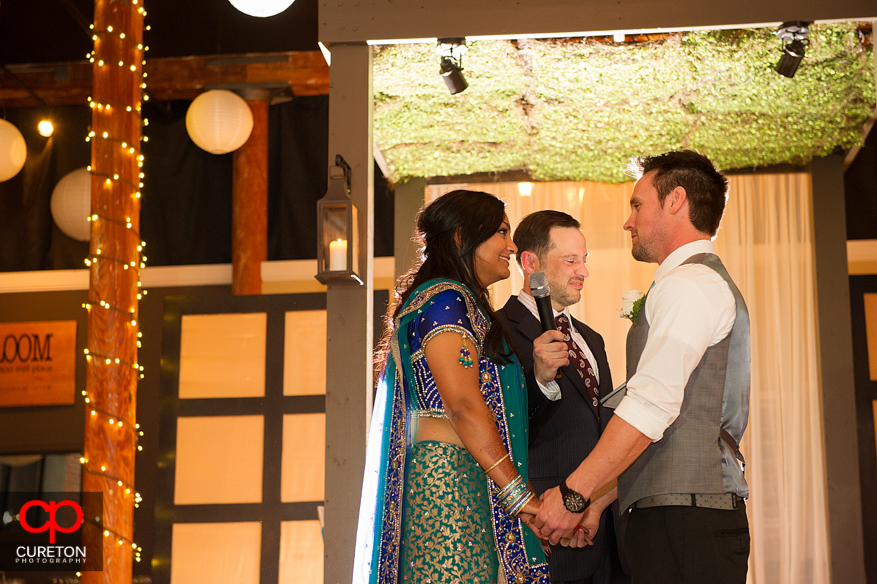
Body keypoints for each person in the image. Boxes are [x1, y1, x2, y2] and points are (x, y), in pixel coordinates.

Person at [533, 150, 751, 584]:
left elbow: (651, 406)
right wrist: (597, 502)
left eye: (637, 204)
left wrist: (574, 494)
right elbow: (671, 422)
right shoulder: (687, 283)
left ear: (675, 201)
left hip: (686, 523)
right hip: (677, 516)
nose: (628, 221)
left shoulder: (692, 284)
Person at [352, 190, 550, 584]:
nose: (511, 246)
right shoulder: (447, 301)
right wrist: (519, 496)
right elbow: (461, 403)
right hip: (448, 482)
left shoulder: (460, 302)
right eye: (501, 232)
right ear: (462, 238)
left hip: (467, 472)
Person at [497, 211, 629, 584]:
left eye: (584, 260)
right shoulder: (497, 331)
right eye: (570, 260)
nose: (583, 271)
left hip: (605, 531)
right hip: (548, 530)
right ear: (530, 263)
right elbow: (497, 427)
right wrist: (539, 379)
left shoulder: (592, 338)